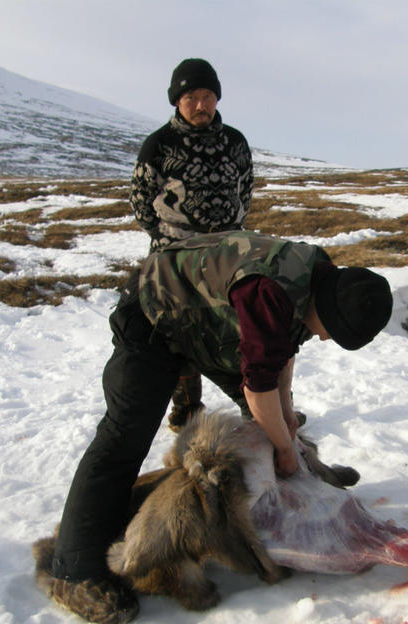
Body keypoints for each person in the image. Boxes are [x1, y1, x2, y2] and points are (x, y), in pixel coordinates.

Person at [44, 230, 393, 624]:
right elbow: (259, 383)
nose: (326, 338)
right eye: (331, 330)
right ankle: (73, 570)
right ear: (328, 309)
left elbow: (281, 353)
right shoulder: (269, 292)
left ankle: (304, 492)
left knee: (276, 422)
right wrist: (282, 447)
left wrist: (287, 417)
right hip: (156, 313)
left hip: (211, 324)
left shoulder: (320, 279)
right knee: (123, 437)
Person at [130, 58, 254, 429]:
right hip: (175, 264)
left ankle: (258, 406)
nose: (200, 105)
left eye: (207, 96)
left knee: (239, 333)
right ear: (176, 102)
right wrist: (173, 242)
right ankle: (186, 409)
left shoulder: (235, 142)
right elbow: (141, 204)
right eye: (191, 98)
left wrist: (229, 235)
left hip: (226, 259)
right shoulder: (158, 145)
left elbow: (244, 192)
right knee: (178, 335)